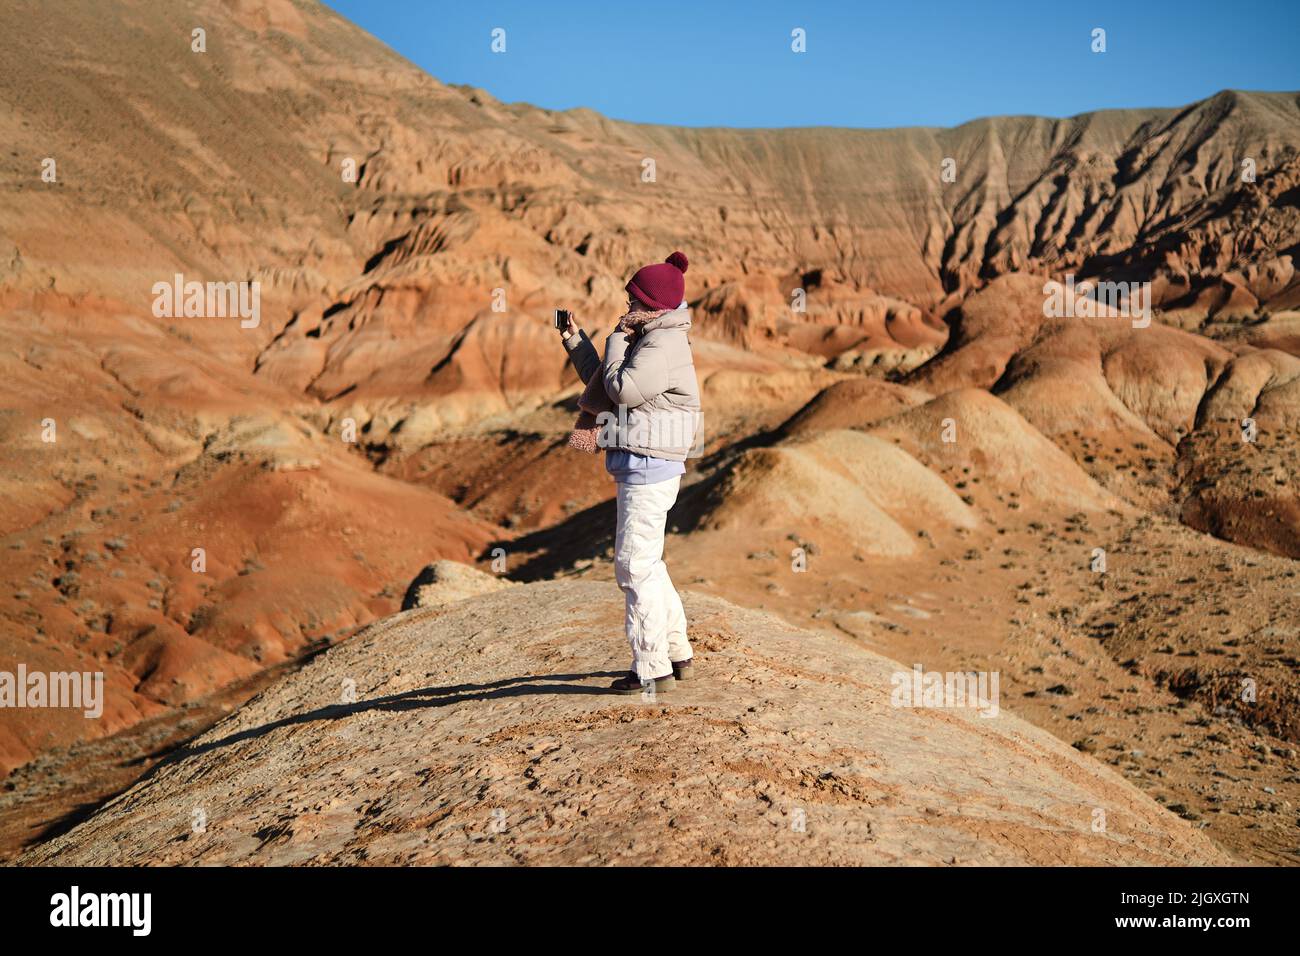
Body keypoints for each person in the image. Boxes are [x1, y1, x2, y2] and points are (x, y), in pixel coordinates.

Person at [558, 251, 702, 695]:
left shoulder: (663, 343)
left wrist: (618, 336)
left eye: (634, 301)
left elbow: (621, 391)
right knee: (649, 564)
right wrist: (575, 341)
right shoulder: (650, 335)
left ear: (655, 305)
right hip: (643, 462)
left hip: (650, 465)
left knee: (632, 566)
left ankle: (651, 667)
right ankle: (677, 654)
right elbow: (604, 377)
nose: (627, 308)